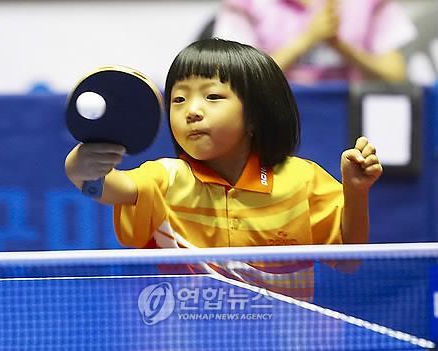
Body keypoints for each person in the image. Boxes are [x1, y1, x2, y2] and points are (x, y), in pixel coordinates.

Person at [65, 38, 383, 300]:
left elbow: (349, 260)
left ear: (256, 116)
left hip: (283, 338)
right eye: (179, 99)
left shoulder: (302, 180)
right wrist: (81, 167)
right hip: (188, 338)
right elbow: (104, 186)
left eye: (212, 96)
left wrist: (356, 192)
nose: (191, 111)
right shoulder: (168, 178)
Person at [212, 0, 417, 84]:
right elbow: (235, 78)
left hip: (351, 117)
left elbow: (396, 74)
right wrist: (307, 40)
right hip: (273, 118)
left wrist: (341, 46)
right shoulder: (245, 4)